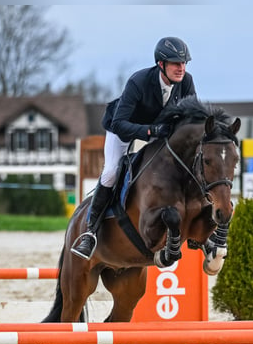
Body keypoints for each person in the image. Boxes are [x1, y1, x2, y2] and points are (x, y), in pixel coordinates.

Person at [71, 36, 196, 259]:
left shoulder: (186, 82)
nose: (181, 68)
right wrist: (149, 131)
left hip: (157, 133)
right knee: (111, 172)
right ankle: (90, 232)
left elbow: (190, 118)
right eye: (176, 63)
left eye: (184, 63)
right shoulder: (139, 81)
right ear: (161, 64)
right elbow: (120, 123)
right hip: (124, 129)